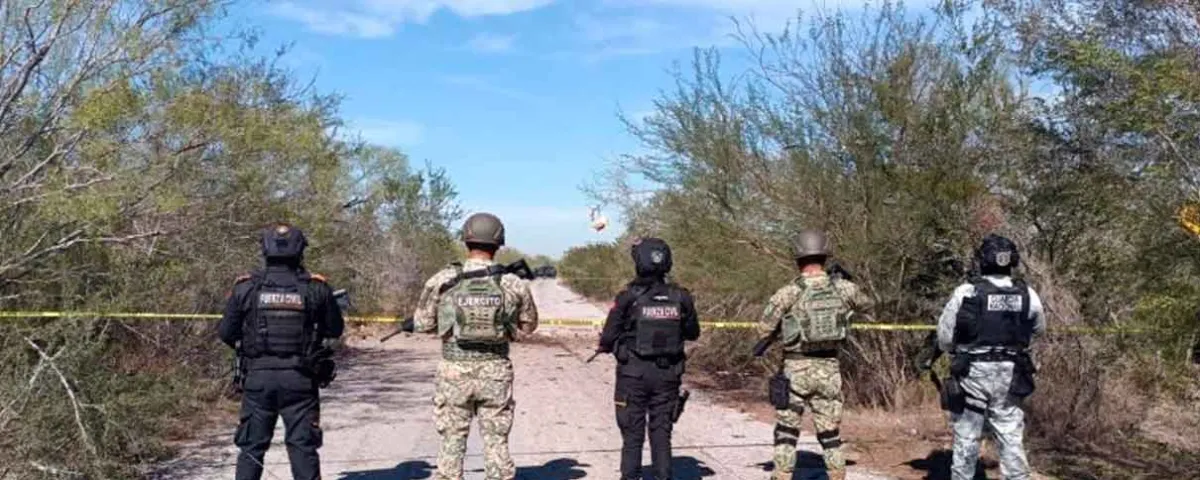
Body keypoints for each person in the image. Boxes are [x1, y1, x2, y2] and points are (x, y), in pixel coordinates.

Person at [411, 212, 538, 480]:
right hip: (495, 370)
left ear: (466, 240)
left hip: (453, 370)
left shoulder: (443, 279)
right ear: (498, 242)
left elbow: (423, 324)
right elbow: (529, 325)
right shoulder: (512, 282)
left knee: (452, 442)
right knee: (496, 442)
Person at [218, 223, 345, 480]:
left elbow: (226, 333)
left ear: (265, 250)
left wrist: (250, 346)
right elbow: (334, 330)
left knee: (252, 448)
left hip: (258, 379)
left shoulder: (246, 288)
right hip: (300, 379)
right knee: (302, 447)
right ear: (300, 251)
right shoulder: (316, 288)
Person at [759, 229, 873, 480]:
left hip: (795, 369)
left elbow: (764, 327)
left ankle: (782, 475)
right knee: (830, 434)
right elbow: (867, 305)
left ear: (798, 258)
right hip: (829, 369)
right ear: (824, 256)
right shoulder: (843, 288)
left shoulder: (788, 292)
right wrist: (844, 283)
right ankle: (837, 474)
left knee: (786, 432)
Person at [936, 233, 1045, 480]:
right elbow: (1039, 329)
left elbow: (944, 338)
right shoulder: (1027, 293)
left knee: (966, 437)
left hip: (973, 374)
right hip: (1012, 375)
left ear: (982, 260)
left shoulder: (967, 292)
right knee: (1010, 437)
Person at [595, 237, 700, 480]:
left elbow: (609, 336)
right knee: (662, 432)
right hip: (668, 375)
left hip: (633, 375)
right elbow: (693, 333)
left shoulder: (628, 297)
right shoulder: (681, 297)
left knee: (632, 435)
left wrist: (605, 345)